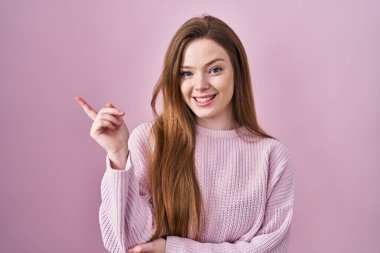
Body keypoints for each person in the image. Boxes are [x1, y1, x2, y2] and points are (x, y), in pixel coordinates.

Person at [76, 14, 294, 253]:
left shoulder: (272, 156)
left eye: (215, 69)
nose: (200, 84)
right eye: (186, 73)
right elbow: (127, 244)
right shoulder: (150, 141)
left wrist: (172, 249)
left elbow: (270, 249)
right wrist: (118, 155)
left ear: (237, 72)